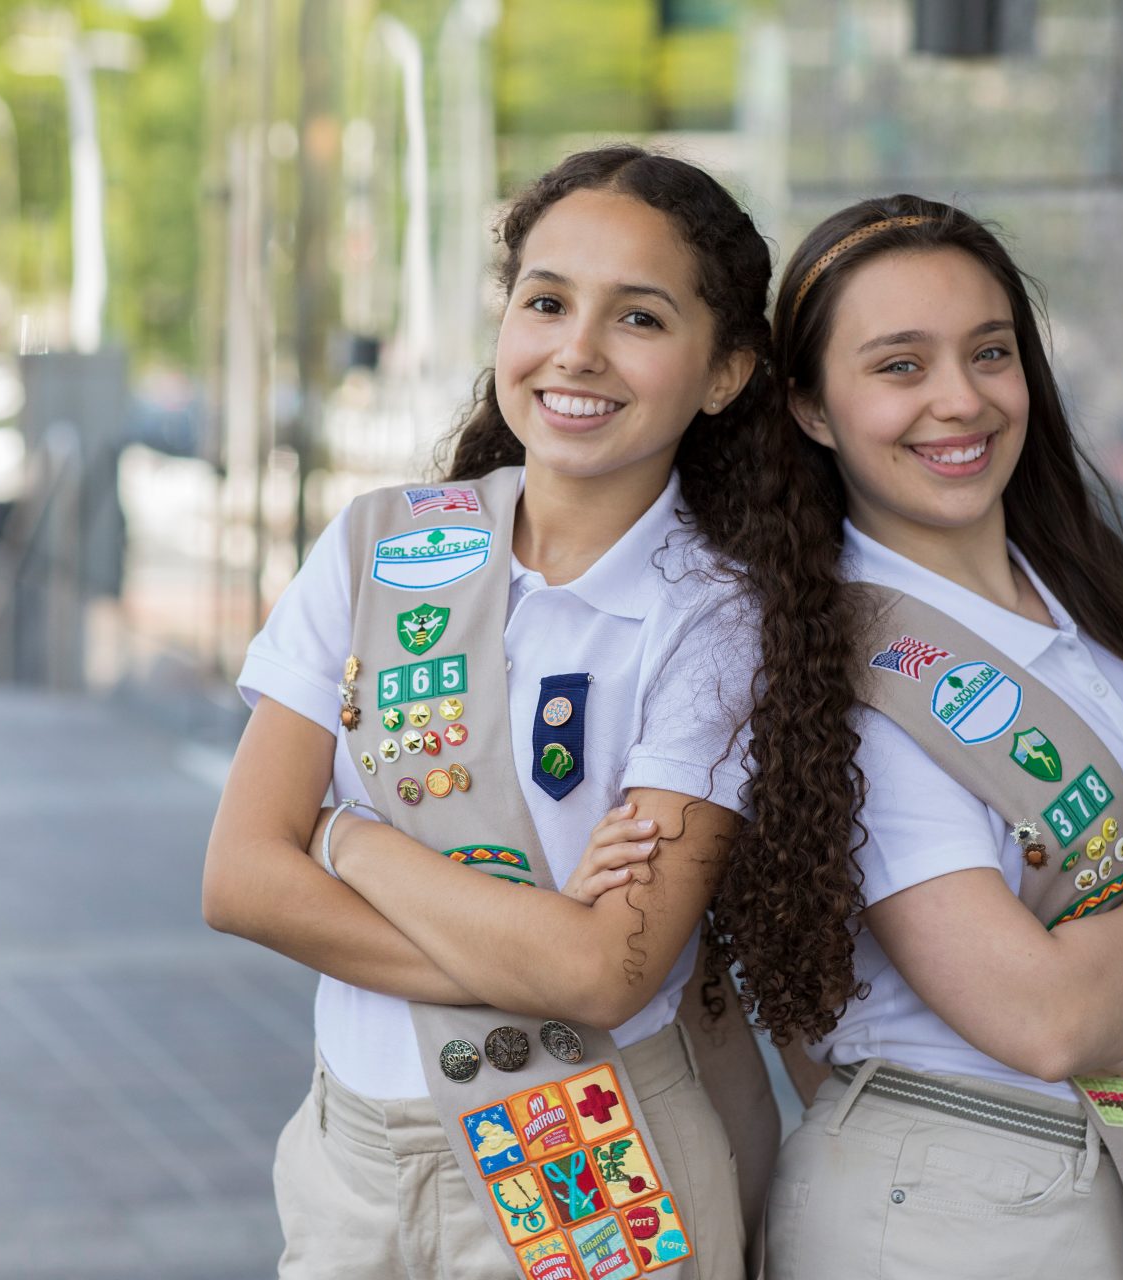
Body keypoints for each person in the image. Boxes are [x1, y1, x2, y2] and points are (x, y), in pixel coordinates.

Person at [201, 147, 845, 1280]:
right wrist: (537, 948)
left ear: (725, 371)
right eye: (546, 301)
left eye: (639, 318)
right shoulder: (381, 545)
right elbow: (242, 880)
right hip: (354, 1162)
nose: (576, 351)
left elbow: (607, 976)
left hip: (594, 1153)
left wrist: (346, 839)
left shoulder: (713, 617)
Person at [701, 196, 1123, 1277]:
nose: (961, 400)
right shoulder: (842, 676)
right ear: (811, 405)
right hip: (945, 1198)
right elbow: (1044, 1019)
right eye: (900, 365)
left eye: (989, 352)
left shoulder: (1104, 601)